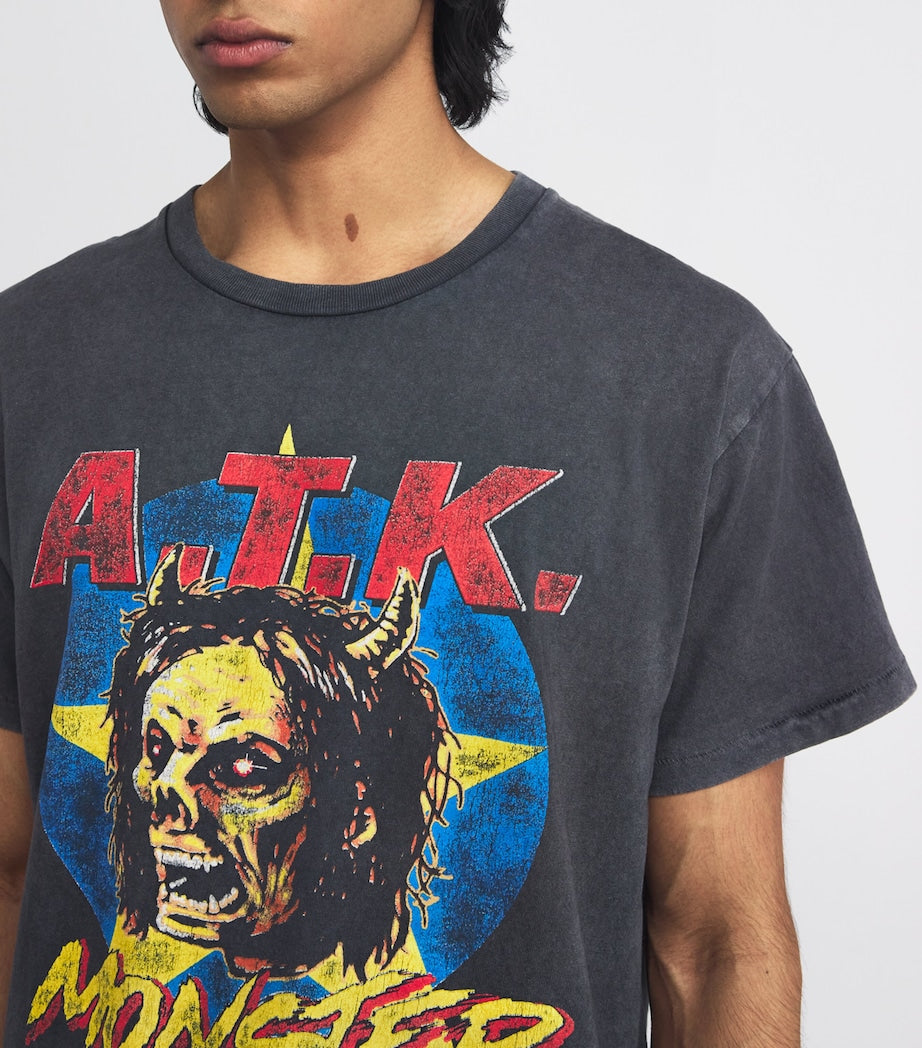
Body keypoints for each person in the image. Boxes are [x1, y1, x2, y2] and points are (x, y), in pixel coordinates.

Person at [0, 2, 914, 1046]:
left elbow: (713, 939)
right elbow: (11, 870)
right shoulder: (30, 364)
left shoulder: (683, 377)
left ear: (358, 806)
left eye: (240, 767)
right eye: (156, 755)